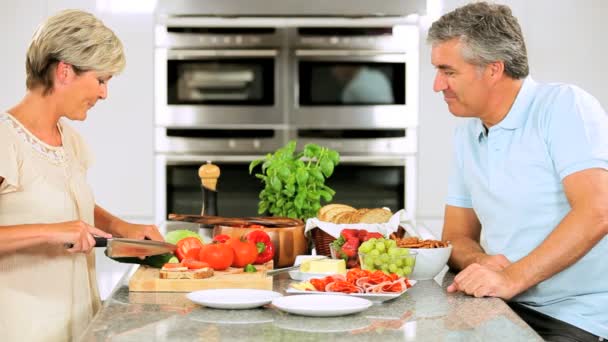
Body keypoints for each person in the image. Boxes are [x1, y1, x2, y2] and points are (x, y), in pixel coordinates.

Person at [428, 2, 608, 341]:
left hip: (575, 315)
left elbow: (597, 211)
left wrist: (512, 278)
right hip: (499, 304)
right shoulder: (467, 132)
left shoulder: (563, 107)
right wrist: (484, 262)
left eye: (449, 72)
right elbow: (455, 235)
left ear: (494, 69)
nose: (438, 85)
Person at [0, 10, 164, 342]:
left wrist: (121, 229)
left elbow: (70, 202)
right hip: (24, 328)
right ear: (64, 72)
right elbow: (57, 225)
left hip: (79, 324)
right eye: (101, 80)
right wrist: (49, 233)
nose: (104, 94)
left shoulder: (69, 138)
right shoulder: (5, 140)